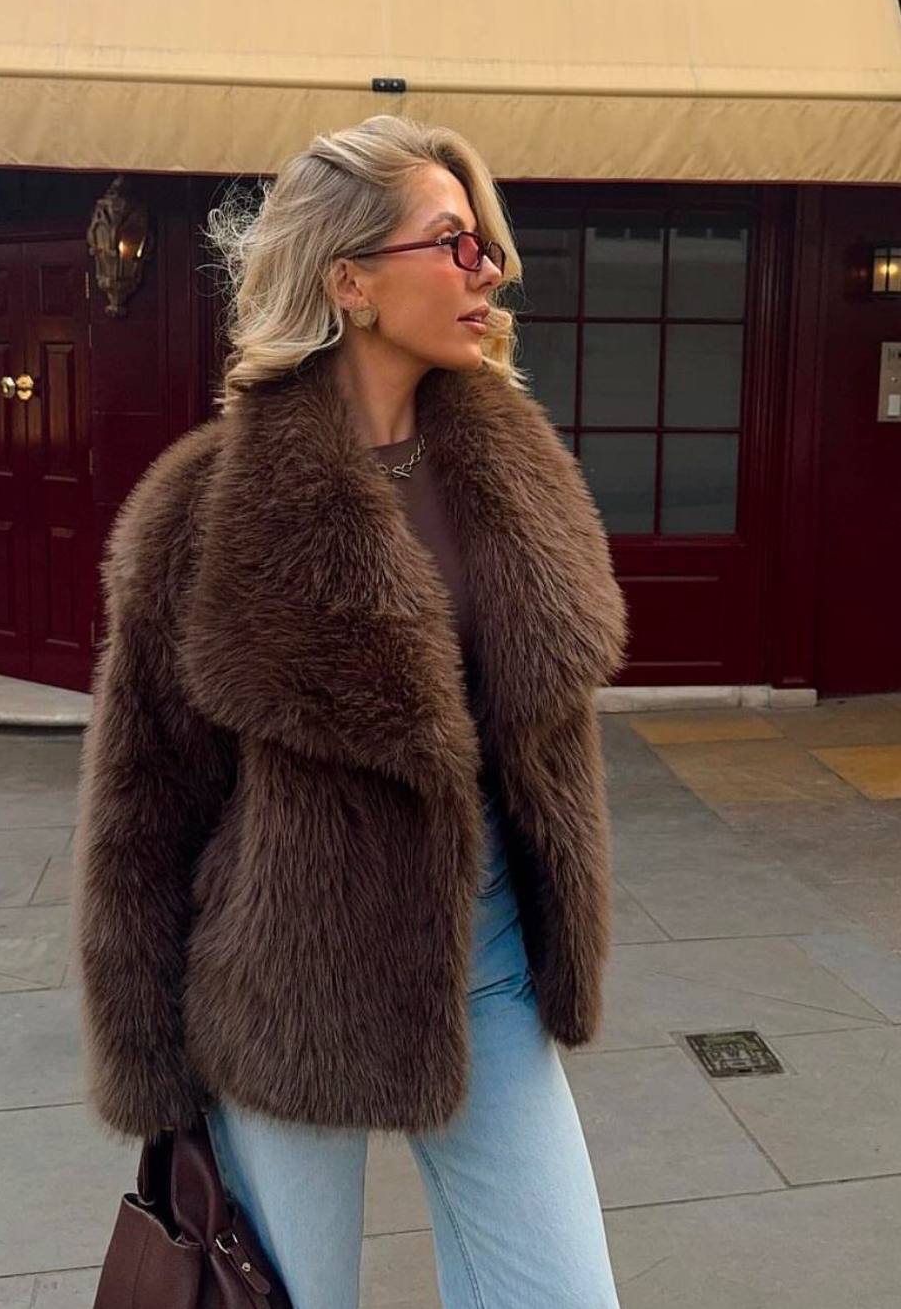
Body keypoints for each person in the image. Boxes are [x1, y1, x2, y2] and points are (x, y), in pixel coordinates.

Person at [73, 114, 628, 1309]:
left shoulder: (514, 471)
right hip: (287, 990)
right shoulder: (205, 509)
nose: (491, 270)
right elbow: (141, 809)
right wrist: (152, 1066)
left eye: (486, 244)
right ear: (351, 280)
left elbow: (543, 744)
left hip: (486, 975)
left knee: (563, 1294)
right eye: (453, 242)